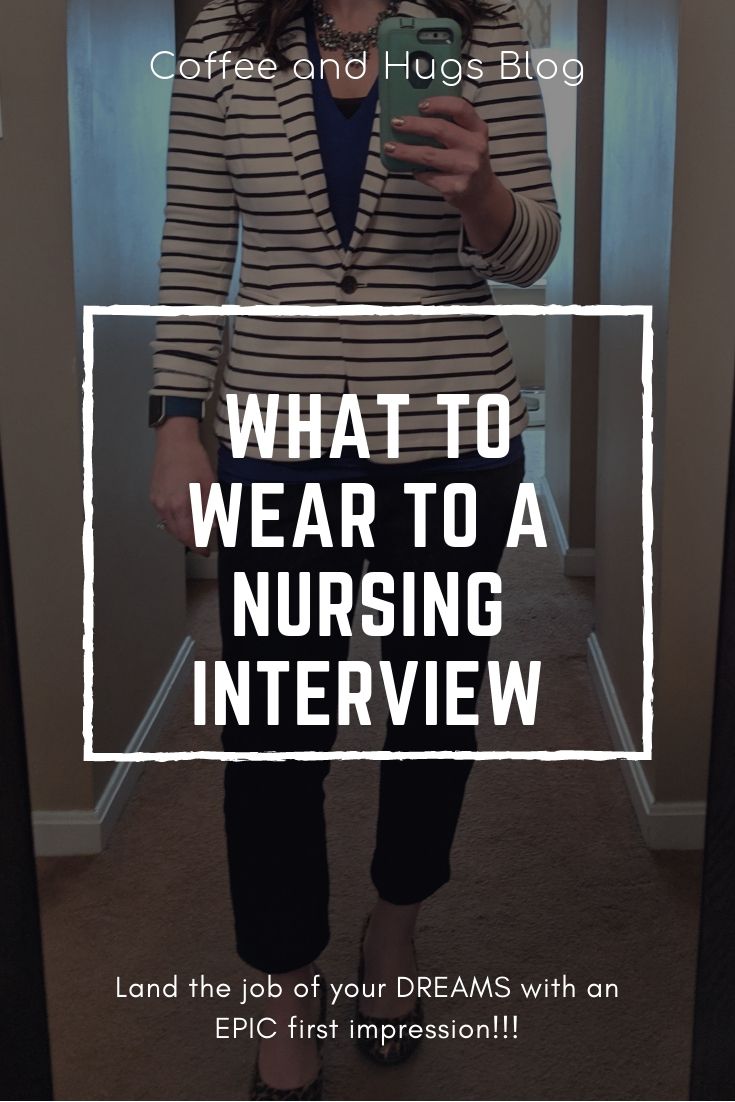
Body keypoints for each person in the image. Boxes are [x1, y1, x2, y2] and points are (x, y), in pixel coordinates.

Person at [149, 0, 559, 1096]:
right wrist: (177, 421)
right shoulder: (224, 35)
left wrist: (479, 193)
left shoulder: (486, 27)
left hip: (451, 440)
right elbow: (196, 237)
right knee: (276, 731)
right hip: (278, 442)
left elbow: (534, 250)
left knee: (433, 709)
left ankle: (393, 931)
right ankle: (285, 983)